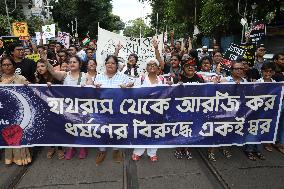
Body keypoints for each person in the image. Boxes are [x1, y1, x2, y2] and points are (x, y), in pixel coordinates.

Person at [44, 55, 89, 160]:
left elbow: (91, 88)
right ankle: (71, 147)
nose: (72, 64)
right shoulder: (65, 75)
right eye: (70, 62)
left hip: (82, 107)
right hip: (67, 107)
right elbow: (53, 73)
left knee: (81, 127)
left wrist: (86, 87)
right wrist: (45, 60)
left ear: (80, 64)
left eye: (74, 62)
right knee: (70, 126)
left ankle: (82, 147)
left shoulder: (85, 76)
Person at [94, 55, 133, 165]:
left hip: (118, 109)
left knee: (117, 129)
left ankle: (116, 150)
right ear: (105, 64)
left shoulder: (122, 76)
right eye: (108, 63)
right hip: (102, 110)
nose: (110, 65)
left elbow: (132, 84)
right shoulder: (99, 77)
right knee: (101, 130)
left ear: (117, 65)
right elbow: (93, 92)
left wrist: (129, 85)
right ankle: (102, 151)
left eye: (113, 63)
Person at [0, 57, 32, 165]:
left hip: (18, 112)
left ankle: (21, 158)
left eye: (9, 64)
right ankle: (9, 158)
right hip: (4, 113)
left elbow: (32, 90)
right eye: (4, 65)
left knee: (18, 135)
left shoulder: (20, 78)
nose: (6, 67)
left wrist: (29, 85)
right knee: (6, 135)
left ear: (13, 66)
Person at [131, 58, 163, 162]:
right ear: (146, 68)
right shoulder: (141, 79)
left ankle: (152, 153)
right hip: (143, 110)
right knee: (141, 130)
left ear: (158, 68)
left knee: (155, 131)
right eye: (149, 65)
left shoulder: (163, 80)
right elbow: (134, 93)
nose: (152, 66)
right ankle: (137, 152)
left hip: (157, 111)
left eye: (154, 65)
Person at [173, 57, 204, 159]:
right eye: (187, 66)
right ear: (183, 68)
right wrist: (176, 86)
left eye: (192, 66)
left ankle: (187, 148)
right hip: (181, 110)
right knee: (181, 128)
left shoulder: (200, 78)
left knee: (191, 129)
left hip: (195, 109)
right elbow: (170, 94)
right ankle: (178, 148)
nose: (190, 67)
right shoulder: (178, 78)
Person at [35, 60, 65, 159]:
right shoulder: (38, 79)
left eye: (42, 66)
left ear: (47, 67)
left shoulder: (55, 78)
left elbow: (63, 92)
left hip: (57, 107)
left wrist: (53, 87)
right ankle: (52, 147)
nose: (40, 68)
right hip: (45, 108)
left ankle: (60, 148)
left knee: (57, 127)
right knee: (50, 127)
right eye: (38, 66)